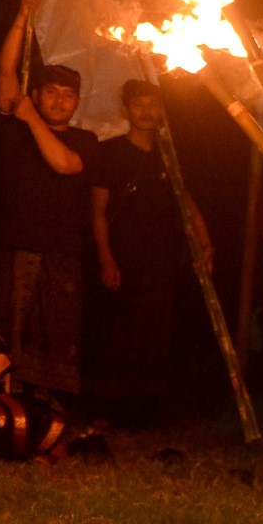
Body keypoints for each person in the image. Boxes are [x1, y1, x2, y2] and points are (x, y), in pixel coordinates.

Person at [0, 0, 100, 400]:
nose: (58, 101)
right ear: (36, 93)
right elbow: (4, 70)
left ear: (77, 103)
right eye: (50, 92)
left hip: (62, 253)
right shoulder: (16, 127)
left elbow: (64, 164)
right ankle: (2, 410)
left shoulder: (85, 141)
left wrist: (31, 116)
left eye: (67, 96)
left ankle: (48, 415)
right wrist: (21, 16)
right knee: (6, 337)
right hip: (15, 247)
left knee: (55, 338)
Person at [87, 79, 209, 425]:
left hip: (161, 259)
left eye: (152, 105)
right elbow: (97, 211)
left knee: (153, 338)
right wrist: (106, 258)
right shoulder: (110, 153)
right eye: (138, 105)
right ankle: (108, 410)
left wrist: (206, 243)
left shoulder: (168, 154)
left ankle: (144, 413)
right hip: (123, 259)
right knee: (117, 337)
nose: (146, 112)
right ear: (126, 110)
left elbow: (186, 202)